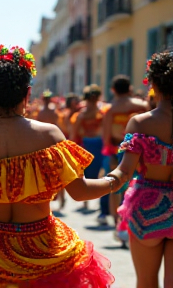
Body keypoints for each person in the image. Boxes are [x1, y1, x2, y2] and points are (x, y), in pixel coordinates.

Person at [0, 44, 129, 288]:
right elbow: (80, 192)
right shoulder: (49, 135)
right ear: (28, 94)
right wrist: (119, 177)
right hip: (42, 248)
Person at [115, 50, 173, 288]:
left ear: (154, 85)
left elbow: (124, 171)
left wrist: (98, 184)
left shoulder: (141, 122)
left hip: (147, 209)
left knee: (146, 282)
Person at [99, 75, 149, 226]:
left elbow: (106, 135)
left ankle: (118, 223)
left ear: (113, 90)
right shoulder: (142, 105)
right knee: (139, 184)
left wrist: (109, 152)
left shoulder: (111, 109)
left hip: (117, 149)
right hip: (142, 150)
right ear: (130, 88)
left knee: (116, 187)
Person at [71, 84, 109, 210]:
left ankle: (87, 199)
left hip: (89, 143)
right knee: (95, 171)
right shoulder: (101, 112)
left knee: (91, 172)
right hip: (93, 143)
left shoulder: (82, 114)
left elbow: (74, 133)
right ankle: (89, 198)